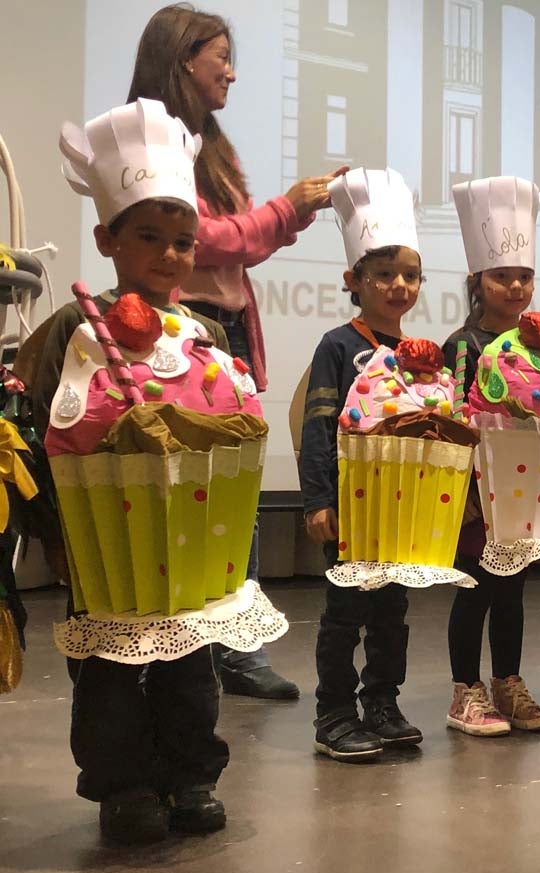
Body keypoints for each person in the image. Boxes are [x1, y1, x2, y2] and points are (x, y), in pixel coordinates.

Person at [33, 99, 284, 843]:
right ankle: (122, 785)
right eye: (150, 237)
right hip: (103, 548)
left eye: (183, 241)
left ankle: (190, 773)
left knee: (189, 667)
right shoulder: (71, 333)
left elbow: (231, 431)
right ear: (107, 237)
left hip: (187, 543)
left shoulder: (203, 335)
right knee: (108, 674)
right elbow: (39, 433)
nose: (171, 256)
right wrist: (53, 529)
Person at [128, 4, 348, 699]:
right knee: (180, 489)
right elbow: (210, 239)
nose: (230, 70)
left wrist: (293, 213)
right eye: (218, 56)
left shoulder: (213, 145)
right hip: (173, 324)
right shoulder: (149, 137)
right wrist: (286, 209)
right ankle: (182, 637)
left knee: (238, 488)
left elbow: (236, 245)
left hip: (225, 327)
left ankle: (234, 644)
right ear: (180, 60)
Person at [299, 169, 426, 761]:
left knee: (392, 612)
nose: (398, 286)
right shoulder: (337, 346)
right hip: (350, 507)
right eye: (383, 274)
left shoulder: (414, 355)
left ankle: (382, 702)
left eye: (410, 275)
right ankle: (333, 713)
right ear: (354, 280)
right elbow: (318, 427)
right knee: (345, 611)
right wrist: (318, 499)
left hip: (400, 510)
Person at [441, 176, 540, 736]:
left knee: (512, 589)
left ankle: (508, 682)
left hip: (522, 487)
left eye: (524, 276)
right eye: (502, 275)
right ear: (477, 282)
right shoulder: (464, 346)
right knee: (475, 585)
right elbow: (451, 420)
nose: (515, 286)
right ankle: (466, 689)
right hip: (471, 494)